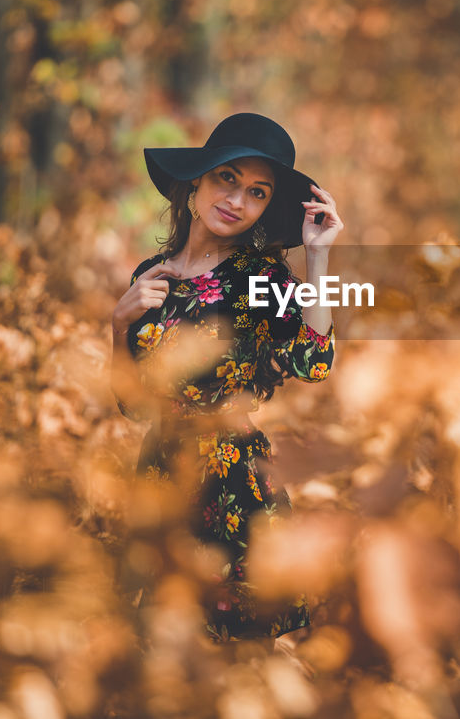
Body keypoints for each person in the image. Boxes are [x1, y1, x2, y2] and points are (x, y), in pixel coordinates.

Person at [110, 112, 342, 647]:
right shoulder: (152, 274)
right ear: (198, 180)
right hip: (160, 475)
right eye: (227, 178)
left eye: (257, 192)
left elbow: (314, 363)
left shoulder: (261, 278)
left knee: (235, 656)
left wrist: (318, 256)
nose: (237, 200)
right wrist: (118, 324)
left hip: (232, 480)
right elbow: (132, 405)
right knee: (157, 655)